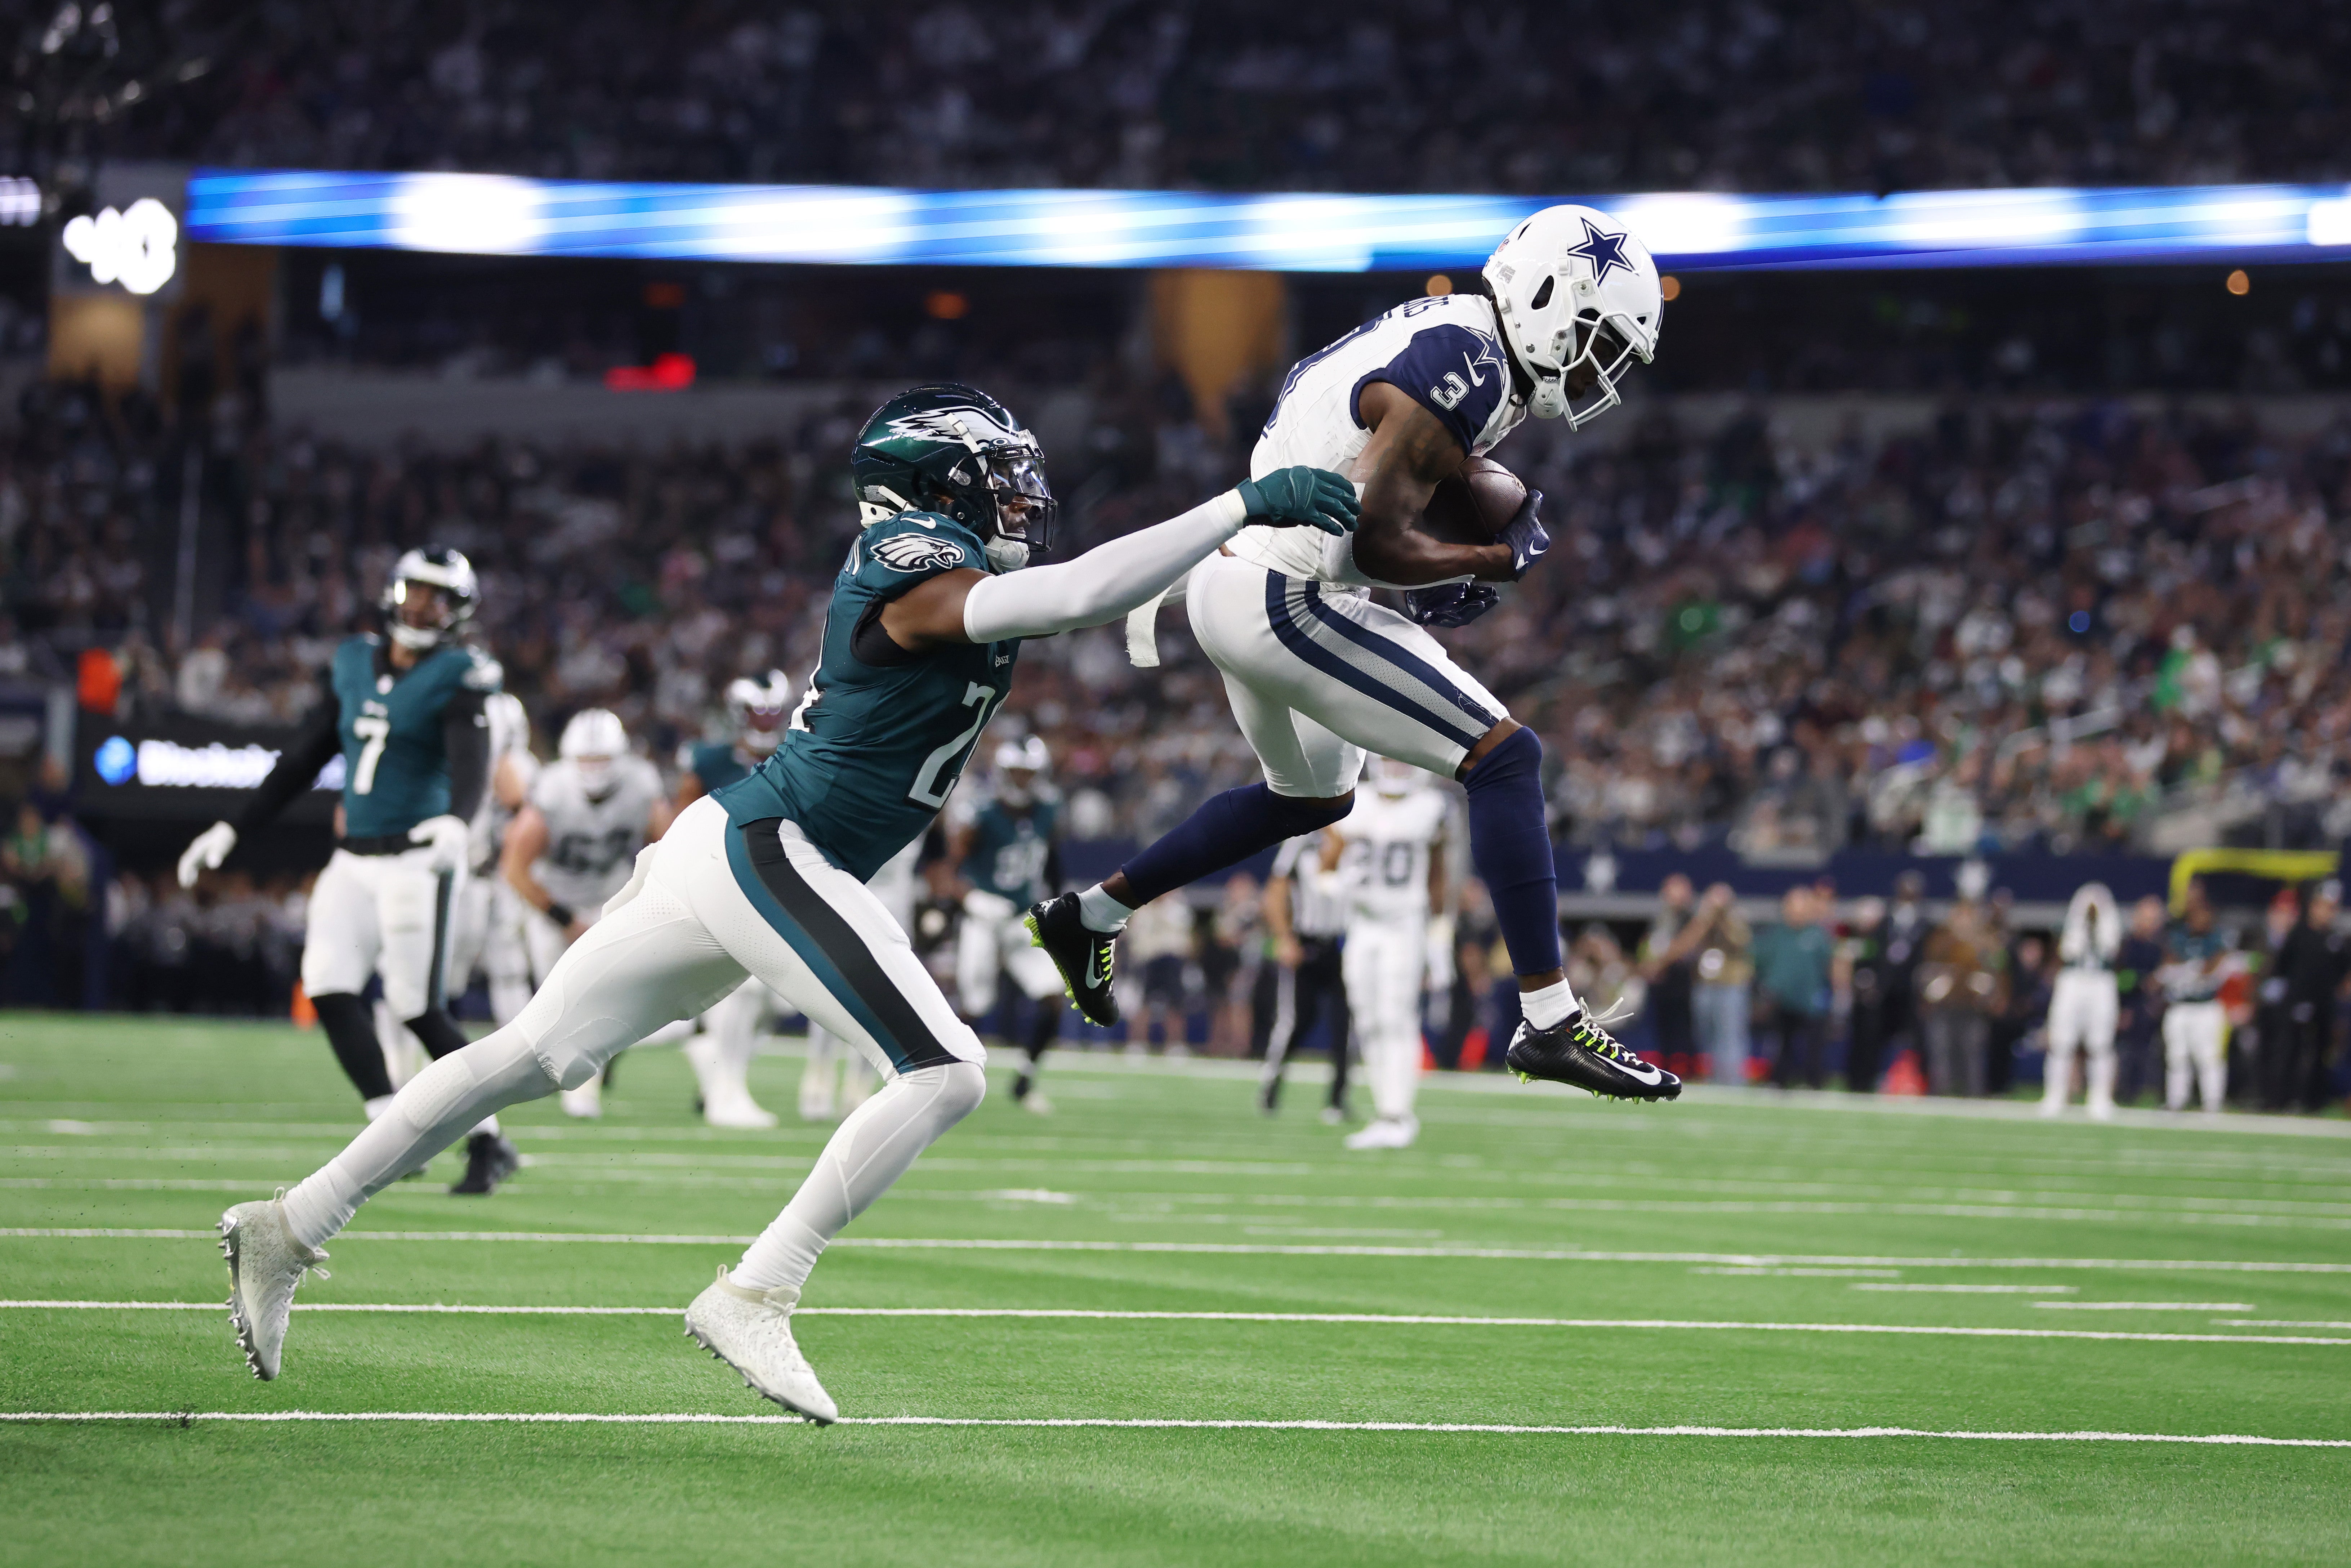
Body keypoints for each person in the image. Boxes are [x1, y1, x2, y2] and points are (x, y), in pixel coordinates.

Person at [215, 382, 1357, 1416]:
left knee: (535, 1055)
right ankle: (760, 1288)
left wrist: (1222, 578)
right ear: (935, 485)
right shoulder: (911, 553)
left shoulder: (962, 564)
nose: (1022, 497)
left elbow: (1096, 595)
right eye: (998, 475)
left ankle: (287, 1222)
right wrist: (1238, 504)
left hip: (736, 841)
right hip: (776, 841)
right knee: (946, 1067)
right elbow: (1067, 599)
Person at [1030, 204, 1677, 1104]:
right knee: (1505, 756)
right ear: (1546, 297)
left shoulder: (1454, 335)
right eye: (1597, 339)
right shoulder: (1471, 363)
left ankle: (1087, 912)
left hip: (1239, 577)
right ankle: (1548, 1017)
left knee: (1314, 795)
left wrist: (1457, 513)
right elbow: (1376, 544)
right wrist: (1488, 555)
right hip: (1286, 594)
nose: (1597, 369)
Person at [176, 548, 522, 1195]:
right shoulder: (354, 661)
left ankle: (490, 1138)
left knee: (419, 1007)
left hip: (418, 857)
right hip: (354, 856)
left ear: (458, 611)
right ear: (393, 592)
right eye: (414, 591)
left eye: (437, 597)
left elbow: (471, 762)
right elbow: (304, 756)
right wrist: (234, 825)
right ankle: (388, 1123)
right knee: (328, 984)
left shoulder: (462, 674)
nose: (421, 606)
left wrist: (458, 819)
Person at [499, 707, 670, 1119]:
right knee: (556, 1001)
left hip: (612, 898)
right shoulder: (553, 790)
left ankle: (587, 1076)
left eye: (601, 760)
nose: (593, 769)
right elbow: (516, 869)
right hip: (554, 901)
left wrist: (646, 902)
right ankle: (567, 1078)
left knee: (609, 994)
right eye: (586, 760)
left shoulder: (641, 784)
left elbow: (671, 849)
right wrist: (563, 919)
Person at [674, 671, 798, 1123]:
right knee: (740, 994)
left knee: (779, 1002)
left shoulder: (798, 756)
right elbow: (680, 822)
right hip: (719, 881)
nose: (765, 721)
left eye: (771, 712)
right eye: (756, 713)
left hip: (778, 887)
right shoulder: (708, 759)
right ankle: (726, 1093)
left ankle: (711, 1060)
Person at [1322, 756, 1449, 1149]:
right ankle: (1386, 1112)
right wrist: (1338, 884)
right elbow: (1324, 867)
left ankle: (1398, 1114)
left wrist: (1439, 937)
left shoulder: (1431, 807)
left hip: (1405, 922)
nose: (1395, 768)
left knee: (1396, 1015)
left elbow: (1439, 877)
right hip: (1362, 923)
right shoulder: (1354, 801)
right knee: (1367, 1017)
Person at [945, 735, 1065, 1111]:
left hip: (1020, 918)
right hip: (983, 918)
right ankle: (948, 1079)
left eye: (1029, 773)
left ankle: (1025, 1081)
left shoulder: (1048, 810)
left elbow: (1053, 864)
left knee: (1052, 996)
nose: (1023, 781)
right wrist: (969, 899)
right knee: (975, 1005)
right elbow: (948, 869)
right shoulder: (980, 811)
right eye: (1016, 773)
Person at [1257, 826, 1354, 1120]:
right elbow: (1275, 892)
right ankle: (1271, 1087)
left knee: (1345, 1026)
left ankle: (1337, 1099)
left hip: (1346, 943)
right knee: (1295, 1021)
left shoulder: (1364, 833)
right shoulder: (1300, 840)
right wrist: (1284, 938)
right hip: (1308, 944)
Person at [2263, 880, 2346, 1113]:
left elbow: (2342, 973)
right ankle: (2280, 1100)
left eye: (2331, 908)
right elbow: (2283, 966)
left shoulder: (2336, 939)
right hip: (2296, 1001)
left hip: (2325, 1004)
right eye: (2323, 906)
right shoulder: (2299, 934)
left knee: (2321, 1054)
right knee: (2289, 1051)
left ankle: (2314, 1103)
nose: (2326, 913)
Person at [2042, 881, 2122, 1118]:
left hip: (2101, 981)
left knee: (2101, 1043)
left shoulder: (2110, 926)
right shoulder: (2069, 924)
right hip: (2073, 979)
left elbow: (2110, 949)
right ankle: (2055, 1094)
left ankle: (2100, 1097)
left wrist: (2096, 927)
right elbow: (2066, 950)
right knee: (2061, 1041)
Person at [1917, 899, 2005, 1096]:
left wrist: (1993, 994)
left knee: (1972, 1052)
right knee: (1941, 1051)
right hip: (1945, 1005)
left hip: (1973, 1007)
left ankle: (1974, 1094)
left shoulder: (1986, 941)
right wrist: (1929, 994)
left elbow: (1997, 970)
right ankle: (1941, 1093)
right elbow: (1927, 970)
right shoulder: (1941, 939)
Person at [2160, 889, 2234, 1113]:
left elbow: (2214, 965)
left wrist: (2195, 970)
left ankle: (2212, 1103)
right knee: (2176, 1057)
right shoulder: (2179, 936)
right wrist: (2189, 970)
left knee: (2210, 1057)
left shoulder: (2217, 938)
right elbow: (2170, 962)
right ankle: (2175, 1101)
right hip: (2181, 1006)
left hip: (2206, 1006)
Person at [1753, 886, 1833, 1089]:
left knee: (1814, 1047)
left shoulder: (1818, 934)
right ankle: (1779, 1082)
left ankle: (1814, 1084)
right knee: (1782, 1045)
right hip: (1781, 1001)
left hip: (1811, 1000)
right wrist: (1764, 993)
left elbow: (1830, 966)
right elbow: (1760, 963)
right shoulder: (1776, 935)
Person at [1637, 874, 1698, 1082]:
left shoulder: (1691, 919)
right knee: (1662, 1028)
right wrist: (1647, 963)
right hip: (1661, 982)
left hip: (1682, 981)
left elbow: (1686, 947)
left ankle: (1686, 1071)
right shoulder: (1660, 918)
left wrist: (1660, 963)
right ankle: (1666, 1070)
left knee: (1683, 1029)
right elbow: (1649, 944)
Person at [2114, 894, 2169, 1103]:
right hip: (2132, 1004)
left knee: (2155, 1053)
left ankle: (2154, 1093)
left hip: (2154, 1005)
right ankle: (2125, 1094)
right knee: (2128, 1053)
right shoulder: (2129, 945)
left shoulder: (2161, 946)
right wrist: (2141, 983)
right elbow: (2122, 978)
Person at [1840, 897, 1893, 1091]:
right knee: (1854, 1040)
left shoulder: (1884, 938)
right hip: (1855, 997)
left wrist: (1878, 989)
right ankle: (1853, 1080)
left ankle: (1868, 1080)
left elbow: (1888, 968)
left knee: (1872, 1041)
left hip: (1875, 1000)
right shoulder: (1852, 936)